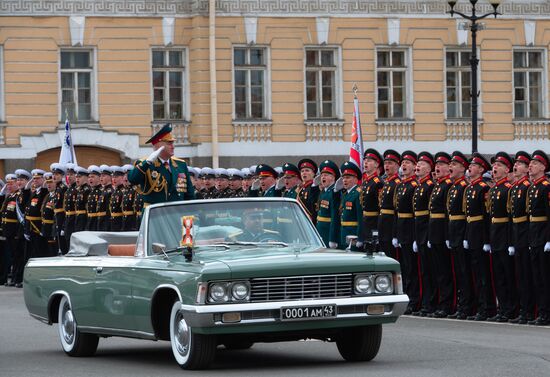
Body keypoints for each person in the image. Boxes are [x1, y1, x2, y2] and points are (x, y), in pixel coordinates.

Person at [128, 123, 195, 205]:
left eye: (172, 143)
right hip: (156, 214)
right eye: (169, 143)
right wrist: (147, 162)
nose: (173, 146)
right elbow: (132, 179)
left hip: (177, 213)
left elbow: (190, 194)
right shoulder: (146, 164)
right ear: (158, 146)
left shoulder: (180, 164)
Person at [464, 152, 495, 321]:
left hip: (480, 234)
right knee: (475, 272)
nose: (470, 167)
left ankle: (487, 307)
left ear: (482, 169)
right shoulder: (470, 188)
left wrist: (486, 240)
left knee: (483, 274)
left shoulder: (483, 188)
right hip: (471, 233)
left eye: (474, 165)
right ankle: (479, 306)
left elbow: (485, 216)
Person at [487, 152, 517, 322]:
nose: (495, 168)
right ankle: (503, 308)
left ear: (507, 170)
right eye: (494, 166)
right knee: (498, 274)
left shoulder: (508, 189)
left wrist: (510, 241)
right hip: (494, 235)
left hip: (505, 236)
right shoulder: (494, 190)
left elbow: (511, 218)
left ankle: (511, 308)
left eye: (499, 166)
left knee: (508, 274)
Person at [508, 151, 535, 324]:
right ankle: (524, 310)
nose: (515, 166)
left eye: (520, 164)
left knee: (529, 276)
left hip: (528, 235)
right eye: (515, 164)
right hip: (517, 235)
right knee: (521, 276)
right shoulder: (517, 188)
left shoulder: (527, 187)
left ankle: (532, 310)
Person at [446, 151, 473, 320]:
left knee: (465, 272)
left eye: (454, 165)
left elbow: (466, 215)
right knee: (458, 272)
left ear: (463, 168)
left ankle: (468, 306)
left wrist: (464, 237)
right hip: (453, 232)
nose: (451, 167)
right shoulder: (455, 186)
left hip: (462, 232)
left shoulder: (464, 187)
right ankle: (462, 304)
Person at [428, 152, 455, 318]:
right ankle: (441, 302)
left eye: (442, 165)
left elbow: (447, 213)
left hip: (443, 232)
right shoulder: (438, 185)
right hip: (434, 232)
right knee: (438, 271)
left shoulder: (447, 186)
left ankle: (447, 304)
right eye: (436, 165)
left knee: (446, 271)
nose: (437, 167)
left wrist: (446, 236)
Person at [395, 151, 421, 314]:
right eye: (403, 163)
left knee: (412, 268)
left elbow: (414, 214)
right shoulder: (402, 186)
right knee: (404, 268)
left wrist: (414, 237)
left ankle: (415, 300)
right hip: (401, 229)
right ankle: (408, 298)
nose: (404, 165)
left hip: (411, 230)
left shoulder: (413, 186)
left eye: (408, 163)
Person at [526, 150, 550, 326]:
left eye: (534, 163)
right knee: (537, 277)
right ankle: (541, 312)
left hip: (543, 235)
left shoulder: (546, 187)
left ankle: (547, 312)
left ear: (543, 167)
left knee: (545, 276)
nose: (530, 166)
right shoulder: (533, 187)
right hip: (534, 235)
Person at [412, 152, 436, 316]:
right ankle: (424, 302)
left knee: (430, 270)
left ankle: (430, 302)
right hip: (417, 231)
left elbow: (429, 215)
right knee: (423, 271)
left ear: (429, 168)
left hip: (427, 231)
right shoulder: (420, 186)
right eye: (417, 163)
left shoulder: (429, 186)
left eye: (421, 164)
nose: (417, 166)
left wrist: (427, 236)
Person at [378, 150, 401, 259]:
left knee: (391, 255)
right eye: (385, 163)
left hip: (390, 224)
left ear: (397, 165)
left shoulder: (397, 183)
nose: (386, 166)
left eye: (390, 163)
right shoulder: (387, 183)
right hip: (383, 223)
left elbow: (397, 209)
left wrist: (395, 233)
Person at [360, 149, 384, 243]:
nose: (366, 163)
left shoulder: (378, 182)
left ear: (376, 164)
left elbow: (380, 206)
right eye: (365, 161)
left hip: (374, 222)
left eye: (369, 161)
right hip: (366, 221)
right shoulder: (366, 182)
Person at [338, 161, 363, 250]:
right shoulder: (346, 194)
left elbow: (360, 217)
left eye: (348, 178)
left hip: (353, 234)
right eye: (344, 178)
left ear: (356, 180)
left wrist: (360, 238)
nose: (344, 180)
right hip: (344, 233)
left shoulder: (357, 193)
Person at [316, 160, 341, 248]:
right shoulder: (323, 192)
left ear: (333, 177)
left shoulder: (334, 192)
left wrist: (332, 238)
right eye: (322, 175)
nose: (323, 177)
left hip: (328, 231)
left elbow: (335, 217)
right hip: (321, 230)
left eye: (326, 175)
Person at [24, 169, 48, 258]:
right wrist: (26, 229)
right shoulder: (34, 193)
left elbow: (45, 189)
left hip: (38, 227)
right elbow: (28, 212)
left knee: (39, 252)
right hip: (30, 227)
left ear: (43, 179)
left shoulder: (43, 192)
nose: (35, 180)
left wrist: (45, 182)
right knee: (31, 253)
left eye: (38, 178)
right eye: (34, 179)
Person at [0, 174, 18, 285]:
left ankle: (10, 277)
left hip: (13, 231)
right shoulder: (9, 197)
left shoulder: (17, 197)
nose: (9, 186)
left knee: (11, 256)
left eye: (11, 183)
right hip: (6, 230)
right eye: (8, 184)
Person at [50, 163, 67, 254]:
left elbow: (65, 208)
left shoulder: (63, 188)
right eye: (53, 174)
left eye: (57, 174)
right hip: (57, 218)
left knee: (63, 245)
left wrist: (63, 225)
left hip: (61, 218)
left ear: (62, 176)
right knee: (58, 244)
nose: (54, 176)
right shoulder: (57, 188)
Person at [296, 159, 320, 223]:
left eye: (307, 170)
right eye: (302, 171)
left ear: (313, 173)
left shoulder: (314, 188)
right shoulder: (302, 188)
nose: (304, 173)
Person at [40, 172, 58, 256]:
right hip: (46, 229)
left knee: (53, 253)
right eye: (47, 182)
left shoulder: (56, 196)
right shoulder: (48, 196)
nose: (48, 185)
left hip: (52, 230)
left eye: (51, 182)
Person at [62, 163, 77, 250]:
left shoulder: (77, 190)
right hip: (68, 221)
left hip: (74, 222)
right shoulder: (69, 190)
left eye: (71, 174)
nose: (69, 177)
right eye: (67, 174)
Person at [85, 165, 102, 231]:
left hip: (97, 223)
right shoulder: (90, 191)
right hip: (89, 222)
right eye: (89, 177)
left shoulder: (101, 191)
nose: (90, 179)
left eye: (93, 177)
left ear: (99, 178)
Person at [74, 166, 90, 232]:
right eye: (76, 177)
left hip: (84, 220)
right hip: (78, 219)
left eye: (79, 177)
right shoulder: (80, 190)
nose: (77, 179)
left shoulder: (87, 190)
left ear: (86, 178)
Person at [109, 166, 126, 231]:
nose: (114, 179)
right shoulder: (115, 191)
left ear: (122, 178)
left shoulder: (123, 191)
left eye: (116, 177)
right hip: (113, 221)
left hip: (120, 222)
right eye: (113, 177)